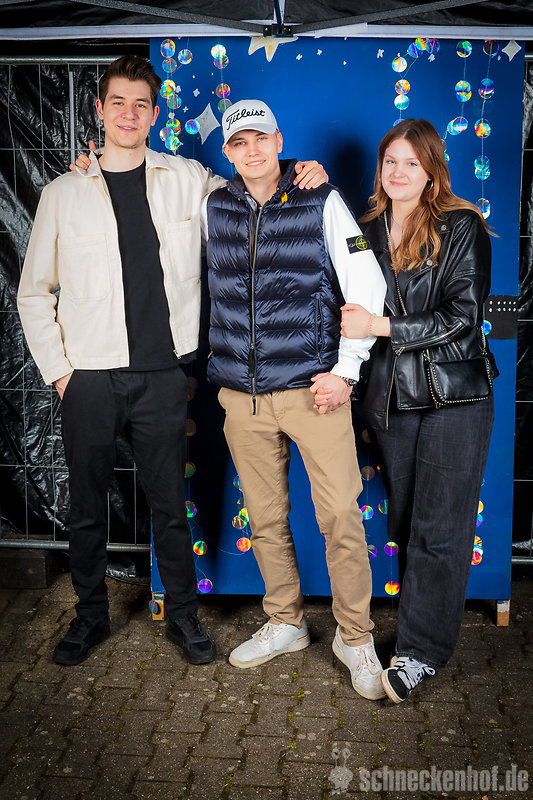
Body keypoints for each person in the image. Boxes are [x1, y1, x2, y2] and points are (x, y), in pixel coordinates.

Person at [17, 56, 325, 668]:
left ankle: (183, 616)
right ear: (99, 110)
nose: (129, 114)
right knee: (86, 507)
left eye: (141, 104)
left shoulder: (188, 178)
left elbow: (251, 190)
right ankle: (89, 616)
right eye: (118, 103)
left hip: (163, 374)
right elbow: (33, 292)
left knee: (168, 505)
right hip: (88, 376)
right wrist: (60, 373)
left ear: (155, 114)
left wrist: (298, 170)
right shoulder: (61, 194)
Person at [201, 99, 388, 700]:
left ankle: (354, 637)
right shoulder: (213, 205)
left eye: (261, 138)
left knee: (340, 517)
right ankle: (286, 622)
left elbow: (367, 283)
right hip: (243, 396)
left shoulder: (320, 198)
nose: (251, 150)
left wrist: (347, 371)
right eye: (239, 142)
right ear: (227, 152)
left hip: (315, 391)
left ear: (279, 141)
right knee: (265, 517)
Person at [329, 118, 496, 703]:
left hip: (455, 396)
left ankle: (419, 652)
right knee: (406, 523)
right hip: (393, 400)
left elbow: (462, 319)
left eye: (412, 163)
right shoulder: (365, 230)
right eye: (390, 161)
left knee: (440, 528)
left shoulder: (461, 225)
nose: (398, 172)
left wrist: (379, 326)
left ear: (431, 172)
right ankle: (418, 627)